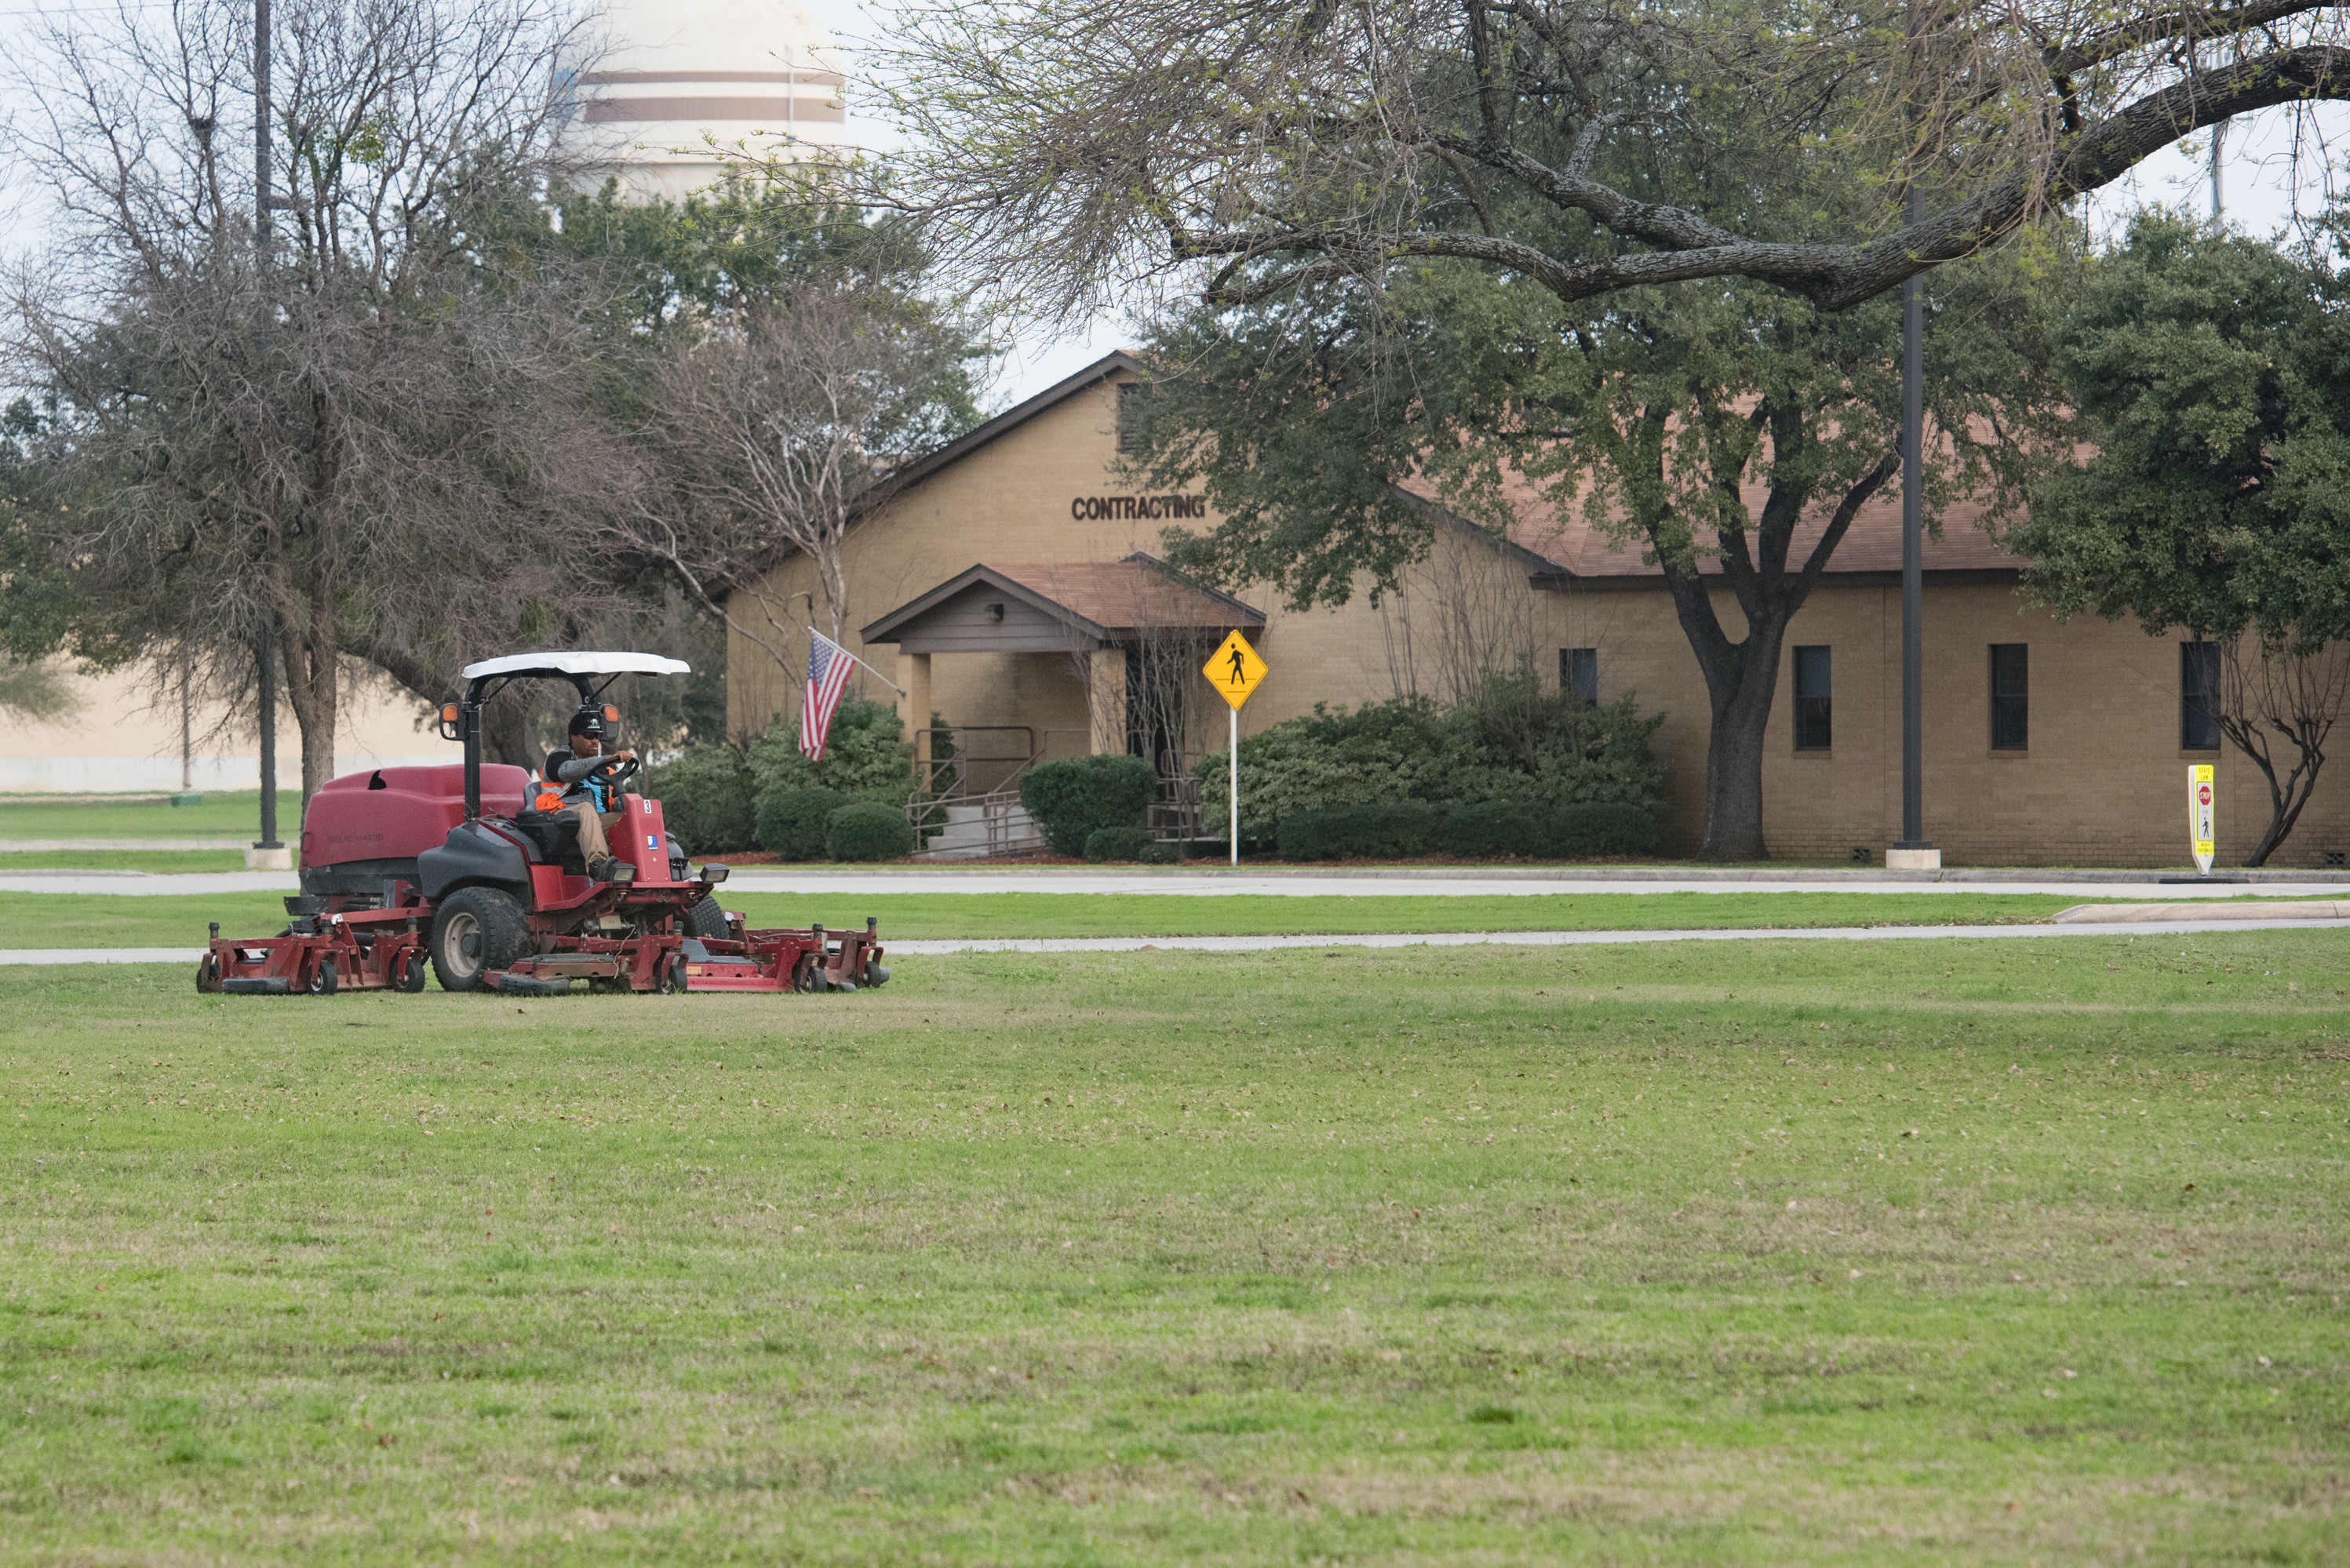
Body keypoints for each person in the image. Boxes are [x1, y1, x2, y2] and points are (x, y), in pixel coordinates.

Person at [544, 710, 637, 879]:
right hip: (562, 819)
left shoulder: (605, 768)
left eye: (597, 736)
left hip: (595, 821)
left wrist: (628, 805)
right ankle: (598, 865)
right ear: (573, 737)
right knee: (586, 809)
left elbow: (613, 801)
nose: (595, 740)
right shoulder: (557, 758)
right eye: (589, 735)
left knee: (632, 816)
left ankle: (651, 865)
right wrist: (605, 758)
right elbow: (568, 772)